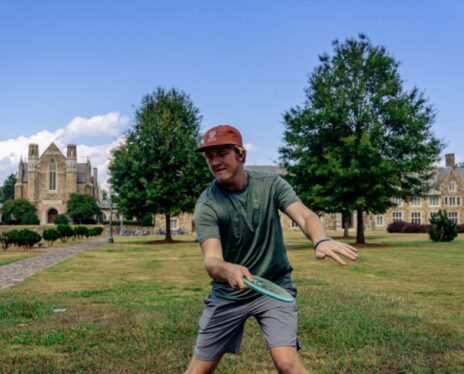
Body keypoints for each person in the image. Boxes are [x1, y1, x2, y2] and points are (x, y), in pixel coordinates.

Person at [185, 125, 358, 374]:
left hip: (273, 288)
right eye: (209, 156)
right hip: (228, 296)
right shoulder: (207, 204)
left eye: (221, 154)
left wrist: (320, 239)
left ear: (240, 155)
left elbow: (305, 215)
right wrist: (227, 269)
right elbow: (211, 260)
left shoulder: (271, 184)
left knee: (287, 364)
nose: (214, 162)